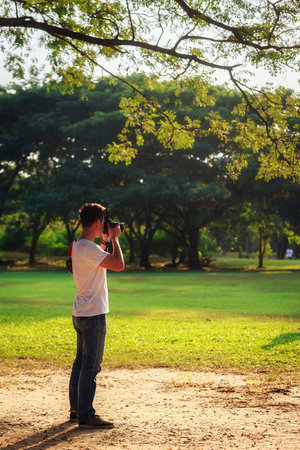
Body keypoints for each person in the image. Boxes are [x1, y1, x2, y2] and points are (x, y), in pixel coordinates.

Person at [68, 202, 125, 429]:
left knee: (81, 362)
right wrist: (115, 238)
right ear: (97, 222)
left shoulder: (77, 246)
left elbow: (95, 262)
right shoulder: (90, 249)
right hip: (94, 314)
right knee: (91, 365)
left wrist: (105, 241)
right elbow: (119, 264)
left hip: (80, 311)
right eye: (104, 220)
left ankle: (76, 410)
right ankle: (86, 415)